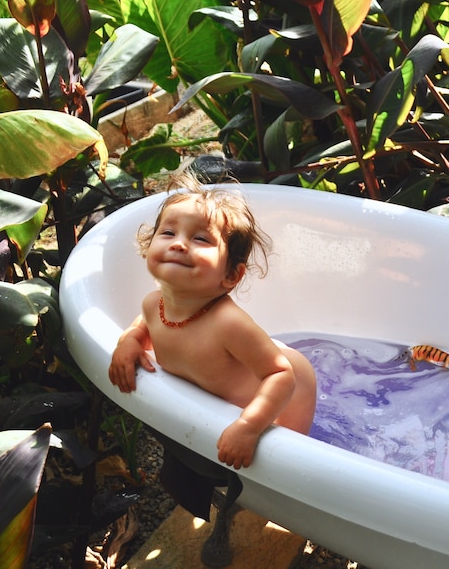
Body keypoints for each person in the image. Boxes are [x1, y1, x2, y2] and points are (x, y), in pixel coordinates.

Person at [108, 175, 317, 470]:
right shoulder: (153, 304)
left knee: (288, 464)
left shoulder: (228, 324)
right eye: (168, 232)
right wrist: (129, 341)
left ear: (231, 276)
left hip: (292, 386)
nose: (179, 244)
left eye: (201, 239)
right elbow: (144, 324)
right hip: (247, 367)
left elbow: (281, 374)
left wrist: (249, 424)